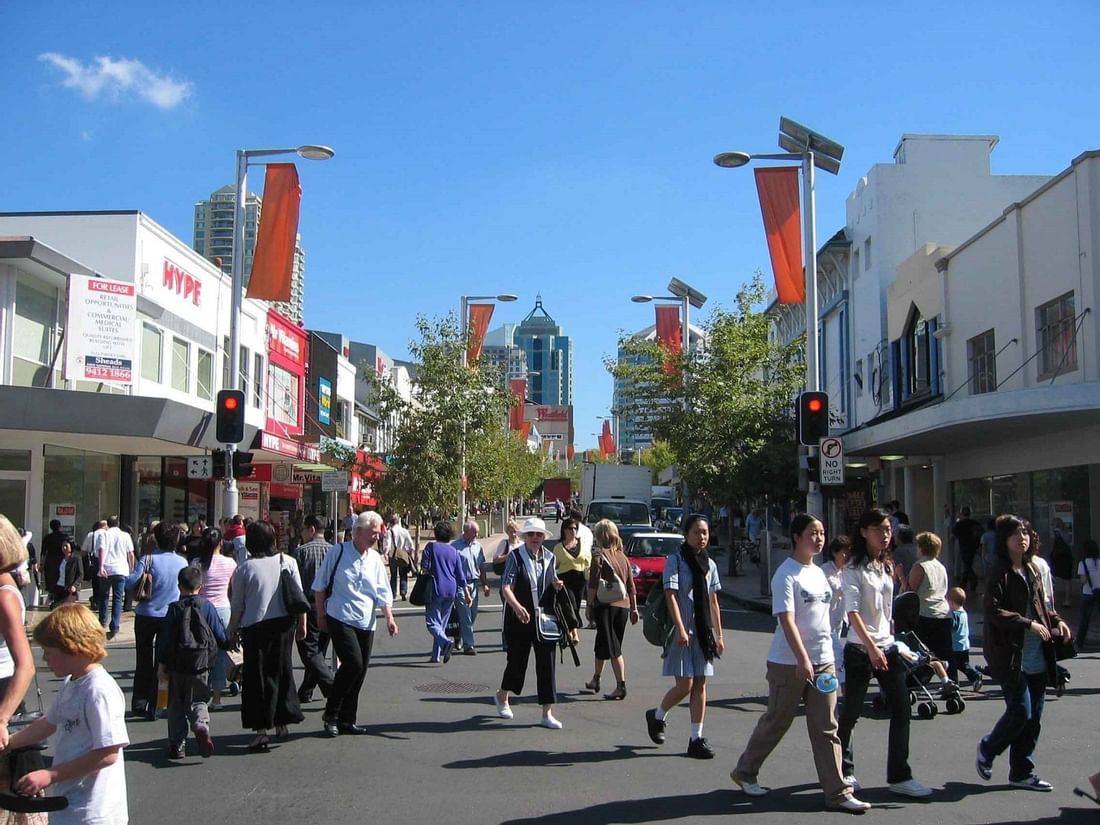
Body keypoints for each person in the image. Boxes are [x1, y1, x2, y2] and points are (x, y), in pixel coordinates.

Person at [731, 514, 870, 813]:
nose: (819, 538)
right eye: (812, 533)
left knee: (827, 727)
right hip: (788, 663)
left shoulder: (819, 573)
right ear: (797, 536)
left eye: (821, 532)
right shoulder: (786, 574)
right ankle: (745, 771)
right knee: (777, 721)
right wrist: (802, 658)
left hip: (824, 662)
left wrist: (830, 654)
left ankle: (837, 793)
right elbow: (786, 619)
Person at [2, 603, 128, 825]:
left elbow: (108, 753)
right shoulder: (72, 682)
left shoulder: (99, 691)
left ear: (73, 648)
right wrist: (9, 743)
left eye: (49, 653)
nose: (44, 660)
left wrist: (49, 775)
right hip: (71, 804)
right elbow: (48, 723)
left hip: (96, 812)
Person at [838, 508, 932, 798]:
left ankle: (900, 775)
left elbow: (887, 609)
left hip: (887, 646)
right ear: (864, 532)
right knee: (852, 712)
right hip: (860, 648)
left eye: (888, 529)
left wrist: (891, 636)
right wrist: (870, 647)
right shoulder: (854, 568)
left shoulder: (887, 566)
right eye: (878, 529)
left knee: (902, 707)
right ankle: (844, 770)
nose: (885, 534)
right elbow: (852, 612)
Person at [976, 514, 1071, 792]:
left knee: (1034, 718)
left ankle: (1022, 771)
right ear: (1004, 540)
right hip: (1010, 654)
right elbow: (992, 612)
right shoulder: (1000, 571)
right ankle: (988, 747)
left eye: (1026, 533)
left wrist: (1057, 621)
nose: (1023, 538)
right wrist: (1027, 623)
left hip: (1037, 654)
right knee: (1020, 711)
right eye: (1016, 533)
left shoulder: (1032, 570)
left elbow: (1044, 606)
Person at [644, 514, 724, 759]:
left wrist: (719, 635)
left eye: (705, 532)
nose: (702, 537)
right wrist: (679, 627)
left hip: (702, 632)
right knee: (684, 685)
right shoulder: (676, 561)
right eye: (697, 532)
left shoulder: (709, 565)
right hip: (683, 631)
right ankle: (657, 716)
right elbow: (671, 595)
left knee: (700, 682)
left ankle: (696, 738)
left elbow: (713, 601)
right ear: (686, 534)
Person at [311, 512, 397, 737]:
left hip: (365, 621)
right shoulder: (338, 552)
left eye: (378, 534)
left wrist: (389, 618)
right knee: (353, 664)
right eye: (373, 533)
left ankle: (348, 719)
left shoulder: (375, 559)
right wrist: (321, 616)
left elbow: (381, 592)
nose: (376, 538)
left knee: (360, 672)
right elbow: (319, 586)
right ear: (358, 532)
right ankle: (331, 713)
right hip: (340, 617)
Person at [227, 522, 306, 751]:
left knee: (257, 678)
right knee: (282, 671)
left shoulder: (244, 569)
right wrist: (303, 625)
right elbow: (298, 597)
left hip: (255, 627)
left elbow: (238, 606)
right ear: (273, 540)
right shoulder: (287, 561)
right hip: (284, 625)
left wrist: (232, 631)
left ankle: (261, 731)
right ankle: (282, 722)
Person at [495, 517, 565, 729]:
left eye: (539, 534)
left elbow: (552, 582)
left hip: (543, 619)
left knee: (547, 665)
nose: (535, 538)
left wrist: (557, 585)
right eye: (531, 534)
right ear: (525, 536)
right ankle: (503, 696)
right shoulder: (515, 557)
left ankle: (547, 713)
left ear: (544, 537)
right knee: (517, 662)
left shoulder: (550, 557)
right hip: (519, 618)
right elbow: (506, 587)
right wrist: (517, 607)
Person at [156, 566, 227, 759]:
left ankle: (178, 745)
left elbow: (165, 641)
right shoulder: (206, 606)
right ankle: (201, 724)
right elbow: (220, 635)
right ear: (201, 586)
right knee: (199, 700)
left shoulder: (174, 609)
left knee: (175, 706)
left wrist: (162, 666)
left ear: (179, 586)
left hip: (176, 667)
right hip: (201, 665)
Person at [125, 521, 188, 720]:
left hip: (145, 614)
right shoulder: (182, 562)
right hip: (170, 616)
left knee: (143, 658)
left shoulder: (148, 559)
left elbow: (129, 582)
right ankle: (157, 703)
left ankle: (139, 702)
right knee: (163, 662)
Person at [583, 520, 638, 700]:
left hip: (604, 605)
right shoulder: (623, 557)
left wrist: (589, 605)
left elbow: (592, 585)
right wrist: (634, 609)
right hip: (623, 606)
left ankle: (621, 686)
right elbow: (631, 586)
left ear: (599, 536)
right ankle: (595, 679)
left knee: (613, 647)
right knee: (603, 643)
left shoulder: (599, 557)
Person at [290, 515, 334, 704]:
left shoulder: (301, 552)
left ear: (312, 529)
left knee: (309, 651)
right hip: (330, 606)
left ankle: (332, 688)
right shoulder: (334, 551)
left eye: (303, 529)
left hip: (308, 607)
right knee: (319, 652)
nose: (302, 533)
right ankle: (306, 691)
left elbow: (294, 584)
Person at [193, 527, 236, 709]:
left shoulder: (197, 563)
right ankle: (217, 698)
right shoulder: (230, 563)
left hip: (201, 610)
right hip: (223, 610)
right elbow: (234, 590)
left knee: (199, 653)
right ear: (221, 543)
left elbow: (193, 588)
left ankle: (200, 694)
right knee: (219, 654)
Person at [422, 522, 471, 664]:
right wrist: (467, 592)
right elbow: (460, 574)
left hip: (435, 588)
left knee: (432, 623)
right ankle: (435, 655)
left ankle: (445, 643)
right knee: (441, 624)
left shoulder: (430, 548)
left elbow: (425, 567)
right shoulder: (453, 551)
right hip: (451, 589)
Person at [908, 532, 953, 670]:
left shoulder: (920, 566)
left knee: (920, 651)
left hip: (924, 612)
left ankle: (916, 681)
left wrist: (901, 577)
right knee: (944, 652)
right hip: (943, 611)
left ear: (921, 548)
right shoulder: (940, 566)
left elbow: (910, 590)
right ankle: (951, 681)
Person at [94, 516, 133, 641]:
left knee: (104, 596)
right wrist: (131, 569)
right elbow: (130, 554)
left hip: (107, 568)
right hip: (121, 569)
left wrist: (100, 566)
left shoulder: (104, 535)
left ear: (108, 524)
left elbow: (101, 550)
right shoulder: (125, 535)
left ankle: (102, 621)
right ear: (118, 523)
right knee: (117, 598)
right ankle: (115, 625)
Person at [452, 521, 489, 655]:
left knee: (472, 614)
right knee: (465, 614)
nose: (477, 535)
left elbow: (482, 567)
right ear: (466, 532)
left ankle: (459, 635)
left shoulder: (478, 546)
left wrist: (484, 584)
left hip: (474, 584)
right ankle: (469, 645)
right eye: (474, 532)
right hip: (460, 585)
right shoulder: (455, 547)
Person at [820, 535, 851, 690]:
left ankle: (824, 687)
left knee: (829, 657)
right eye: (843, 552)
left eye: (848, 552)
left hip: (838, 620)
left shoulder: (846, 571)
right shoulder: (825, 571)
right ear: (834, 552)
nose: (846, 556)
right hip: (825, 622)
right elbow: (839, 589)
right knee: (839, 656)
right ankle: (846, 693)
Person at [553, 518, 590, 631]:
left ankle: (571, 627)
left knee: (577, 605)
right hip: (565, 580)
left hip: (580, 580)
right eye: (570, 528)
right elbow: (554, 565)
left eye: (575, 528)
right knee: (571, 604)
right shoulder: (558, 548)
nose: (573, 531)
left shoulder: (582, 544)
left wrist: (590, 576)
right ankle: (573, 629)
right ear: (564, 530)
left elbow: (588, 561)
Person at [947, 586, 984, 690]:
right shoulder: (963, 613)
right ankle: (974, 677)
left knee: (952, 666)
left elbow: (952, 627)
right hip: (964, 645)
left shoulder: (954, 615)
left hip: (955, 646)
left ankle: (953, 683)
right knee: (964, 665)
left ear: (951, 603)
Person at [382, 514, 415, 601]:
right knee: (403, 574)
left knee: (393, 575)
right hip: (403, 555)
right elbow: (411, 544)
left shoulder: (390, 532)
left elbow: (388, 544)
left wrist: (385, 553)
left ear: (391, 522)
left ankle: (393, 593)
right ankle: (403, 592)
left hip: (393, 555)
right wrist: (410, 552)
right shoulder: (404, 531)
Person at [953, 507, 983, 594]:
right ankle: (965, 582)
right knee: (968, 564)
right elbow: (981, 531)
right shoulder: (974, 523)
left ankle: (971, 580)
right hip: (973, 546)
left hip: (963, 546)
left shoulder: (959, 524)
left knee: (967, 564)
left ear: (962, 514)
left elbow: (954, 534)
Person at [1077, 539, 1100, 649]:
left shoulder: (1083, 563)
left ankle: (1080, 642)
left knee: (1085, 619)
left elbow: (1083, 580)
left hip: (1088, 593)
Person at [49, 540, 83, 610]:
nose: (64, 548)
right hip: (58, 587)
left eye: (66, 546)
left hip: (69, 588)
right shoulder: (59, 558)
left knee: (67, 609)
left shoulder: (76, 559)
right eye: (63, 546)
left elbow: (80, 574)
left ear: (71, 547)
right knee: (55, 608)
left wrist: (74, 585)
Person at [891, 526, 917, 590]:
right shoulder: (917, 549)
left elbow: (896, 572)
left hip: (903, 588)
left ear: (899, 537)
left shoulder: (898, 551)